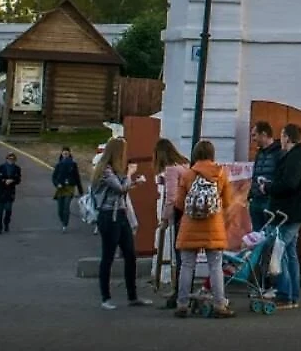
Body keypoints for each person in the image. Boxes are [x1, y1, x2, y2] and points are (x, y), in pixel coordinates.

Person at [173, 139, 235, 319]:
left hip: (190, 226)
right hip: (213, 226)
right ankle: (219, 305)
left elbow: (178, 203)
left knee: (187, 266)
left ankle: (182, 304)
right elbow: (228, 202)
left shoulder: (187, 175)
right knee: (215, 266)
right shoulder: (221, 174)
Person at [91, 137, 153, 310]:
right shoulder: (105, 170)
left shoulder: (114, 170)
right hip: (109, 216)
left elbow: (122, 189)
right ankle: (105, 297)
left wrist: (133, 182)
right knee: (108, 257)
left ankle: (132, 296)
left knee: (130, 255)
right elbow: (119, 188)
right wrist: (130, 174)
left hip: (120, 214)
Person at [260, 123, 301, 311]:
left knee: (279, 251)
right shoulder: (296, 155)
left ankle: (285, 295)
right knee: (289, 253)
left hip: (289, 213)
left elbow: (290, 183)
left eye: (281, 136)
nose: (279, 139)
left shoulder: (295, 157)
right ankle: (292, 294)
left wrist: (268, 187)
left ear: (288, 138)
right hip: (291, 212)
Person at [151, 139, 189, 308]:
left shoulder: (171, 169)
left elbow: (171, 198)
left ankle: (179, 293)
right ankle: (182, 292)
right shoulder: (184, 165)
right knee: (186, 256)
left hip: (179, 214)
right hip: (190, 213)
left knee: (179, 256)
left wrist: (165, 220)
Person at [248, 121, 282, 232]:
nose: (252, 139)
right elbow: (255, 174)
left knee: (269, 236)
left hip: (269, 201)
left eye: (254, 135)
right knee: (256, 236)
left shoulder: (279, 153)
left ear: (263, 134)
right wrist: (251, 193)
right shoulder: (259, 153)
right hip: (256, 200)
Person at [51, 146, 84, 231]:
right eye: (64, 153)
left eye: (67, 153)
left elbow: (77, 177)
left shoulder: (73, 164)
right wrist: (57, 184)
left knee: (66, 206)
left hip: (70, 188)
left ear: (69, 154)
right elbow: (54, 177)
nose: (65, 154)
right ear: (62, 154)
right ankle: (62, 220)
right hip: (60, 188)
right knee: (60, 209)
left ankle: (65, 225)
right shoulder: (59, 164)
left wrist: (80, 191)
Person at [0, 151, 21, 234]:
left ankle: (6, 223)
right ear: (6, 159)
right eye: (9, 158)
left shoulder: (17, 168)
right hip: (0, 191)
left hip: (10, 192)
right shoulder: (1, 167)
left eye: (13, 159)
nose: (11, 160)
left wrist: (12, 180)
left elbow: (18, 180)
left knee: (8, 210)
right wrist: (4, 181)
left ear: (15, 160)